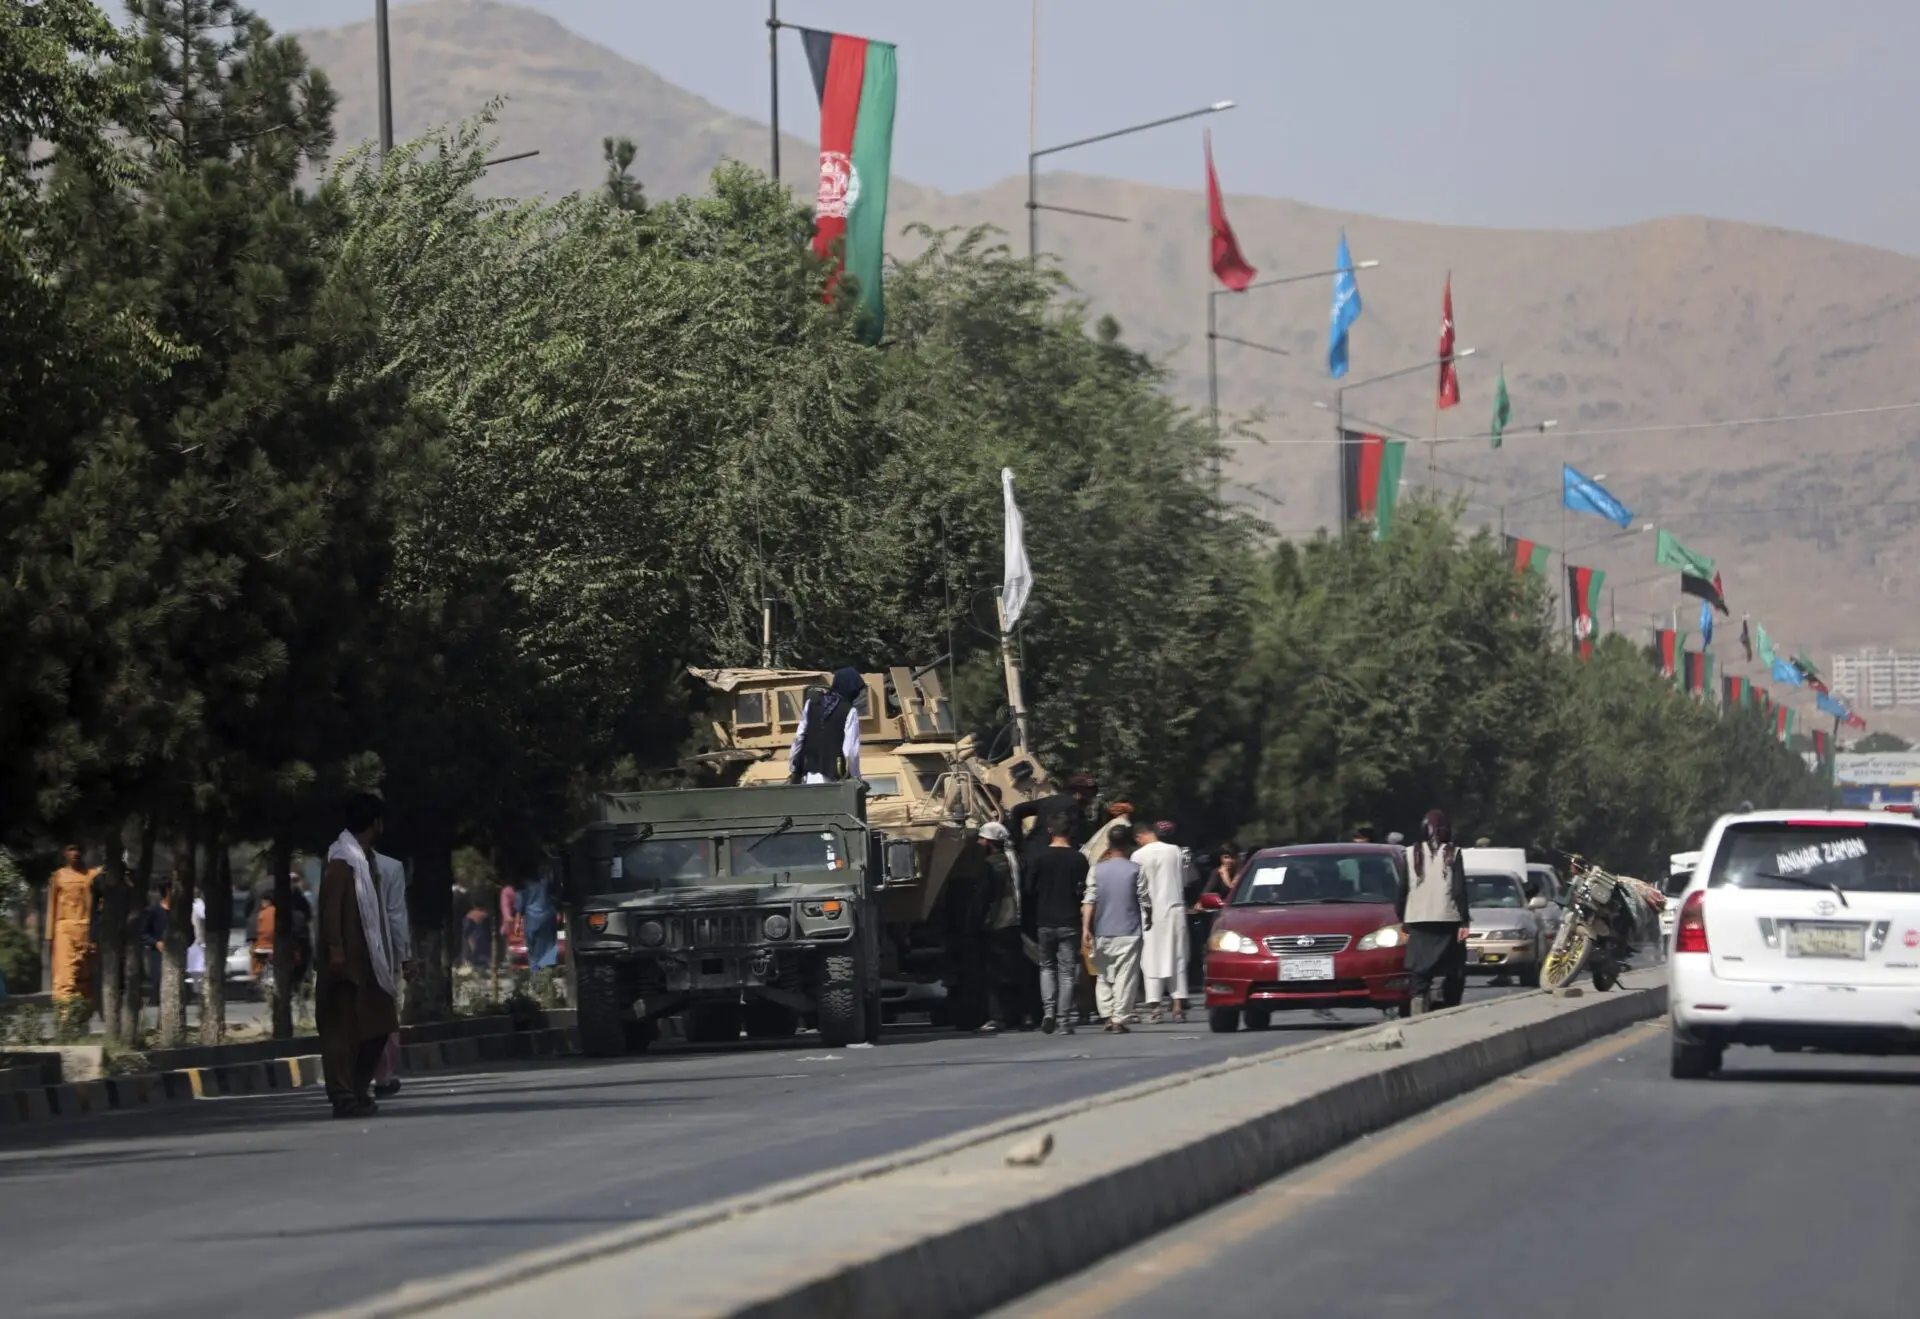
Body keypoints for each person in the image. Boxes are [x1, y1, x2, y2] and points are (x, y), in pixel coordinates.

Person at [316, 794, 399, 1118]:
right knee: (341, 1032)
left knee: (379, 1025)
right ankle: (342, 1095)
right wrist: (336, 949)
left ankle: (359, 1088)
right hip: (345, 964)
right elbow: (329, 911)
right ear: (375, 823)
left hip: (370, 963)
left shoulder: (367, 863)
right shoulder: (342, 862)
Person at [1397, 809, 1471, 1015]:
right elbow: (1459, 890)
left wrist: (1404, 921)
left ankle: (1418, 1006)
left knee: (1419, 970)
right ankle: (1447, 1007)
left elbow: (1402, 891)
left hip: (1417, 919)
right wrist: (1464, 921)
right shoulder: (1453, 853)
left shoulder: (1409, 853)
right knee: (1451, 967)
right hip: (1447, 919)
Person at [1081, 823, 1150, 1033]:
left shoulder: (1096, 870)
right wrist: (1149, 919)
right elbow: (1144, 900)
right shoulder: (1136, 870)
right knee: (1125, 977)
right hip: (1129, 930)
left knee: (1103, 975)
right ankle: (1119, 1018)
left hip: (1102, 930)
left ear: (1108, 845)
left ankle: (1107, 1014)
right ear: (1129, 845)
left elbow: (1089, 900)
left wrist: (1086, 928)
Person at [1026, 812, 1089, 1035]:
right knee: (1066, 971)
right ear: (1070, 831)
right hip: (1069, 920)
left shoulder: (1039, 858)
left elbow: (1029, 889)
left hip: (1044, 919)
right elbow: (1085, 890)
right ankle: (1063, 1019)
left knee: (1046, 967)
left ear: (1050, 831)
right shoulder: (1078, 859)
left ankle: (1049, 1012)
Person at [1133, 821, 1190, 1024]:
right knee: (1178, 957)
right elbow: (1184, 880)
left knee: (1151, 959)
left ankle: (1155, 1008)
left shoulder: (1138, 856)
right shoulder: (1175, 851)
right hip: (1175, 908)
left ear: (1141, 836)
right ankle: (1177, 1007)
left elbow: (1139, 887)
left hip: (1150, 913)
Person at [976, 822, 1029, 1030]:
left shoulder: (991, 864)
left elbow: (983, 897)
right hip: (1015, 923)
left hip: (998, 923)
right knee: (1017, 970)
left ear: (991, 843)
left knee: (996, 974)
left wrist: (977, 921)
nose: (979, 842)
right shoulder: (1016, 861)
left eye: (982, 839)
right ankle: (1023, 1014)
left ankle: (999, 1017)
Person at [370, 852, 412, 1099]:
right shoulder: (390, 867)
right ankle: (382, 1075)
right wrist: (404, 956)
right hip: (381, 955)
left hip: (345, 953)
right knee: (384, 1014)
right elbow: (396, 914)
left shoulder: (334, 860)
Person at [787, 667, 865, 784]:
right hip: (835, 777)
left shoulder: (811, 703)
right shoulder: (849, 710)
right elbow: (850, 750)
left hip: (809, 773)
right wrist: (855, 776)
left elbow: (799, 737)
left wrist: (793, 766)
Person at [46, 845, 99, 1013]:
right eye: (70, 849)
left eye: (78, 849)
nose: (75, 853)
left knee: (85, 978)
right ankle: (65, 1022)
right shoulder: (58, 876)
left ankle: (83, 1017)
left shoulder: (92, 875)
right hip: (64, 929)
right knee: (64, 977)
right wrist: (49, 936)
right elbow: (51, 907)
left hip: (86, 930)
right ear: (64, 852)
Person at [1007, 773, 1099, 859]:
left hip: (1030, 853)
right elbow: (1075, 840)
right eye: (1090, 794)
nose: (1091, 799)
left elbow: (1017, 810)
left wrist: (1019, 844)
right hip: (1050, 859)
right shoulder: (1074, 809)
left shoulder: (1051, 800)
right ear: (1078, 794)